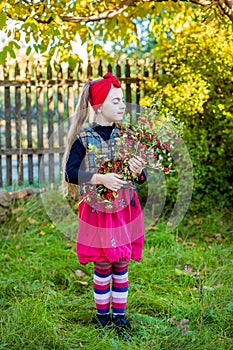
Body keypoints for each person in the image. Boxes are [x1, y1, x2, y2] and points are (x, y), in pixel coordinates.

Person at [63, 72, 147, 338]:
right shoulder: (85, 138)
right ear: (98, 106)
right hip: (99, 211)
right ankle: (102, 318)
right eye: (117, 101)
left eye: (123, 101)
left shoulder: (126, 136)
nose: (123, 106)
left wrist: (139, 169)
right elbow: (70, 173)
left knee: (121, 263)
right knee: (103, 264)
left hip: (124, 210)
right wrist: (101, 178)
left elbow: (141, 179)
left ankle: (119, 318)